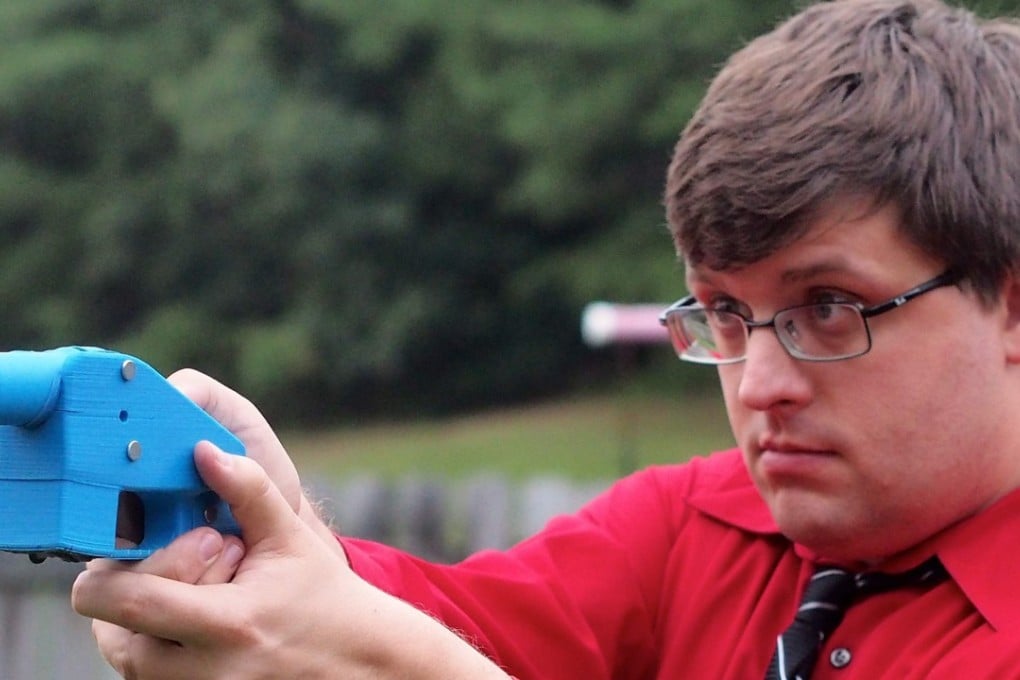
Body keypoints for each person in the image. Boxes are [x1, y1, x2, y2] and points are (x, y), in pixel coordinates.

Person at [71, 0, 1020, 677]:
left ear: (1009, 306)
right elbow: (470, 624)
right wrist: (267, 534)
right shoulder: (696, 524)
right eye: (725, 314)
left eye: (827, 308)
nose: (761, 384)